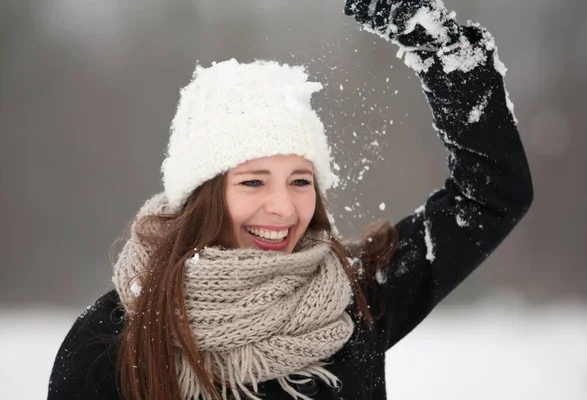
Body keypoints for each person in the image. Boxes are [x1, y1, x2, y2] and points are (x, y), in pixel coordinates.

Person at [48, 0, 533, 399]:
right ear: (202, 195)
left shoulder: (352, 298)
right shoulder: (110, 341)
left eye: (300, 181)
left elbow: (489, 193)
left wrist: (437, 45)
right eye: (254, 182)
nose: (283, 208)